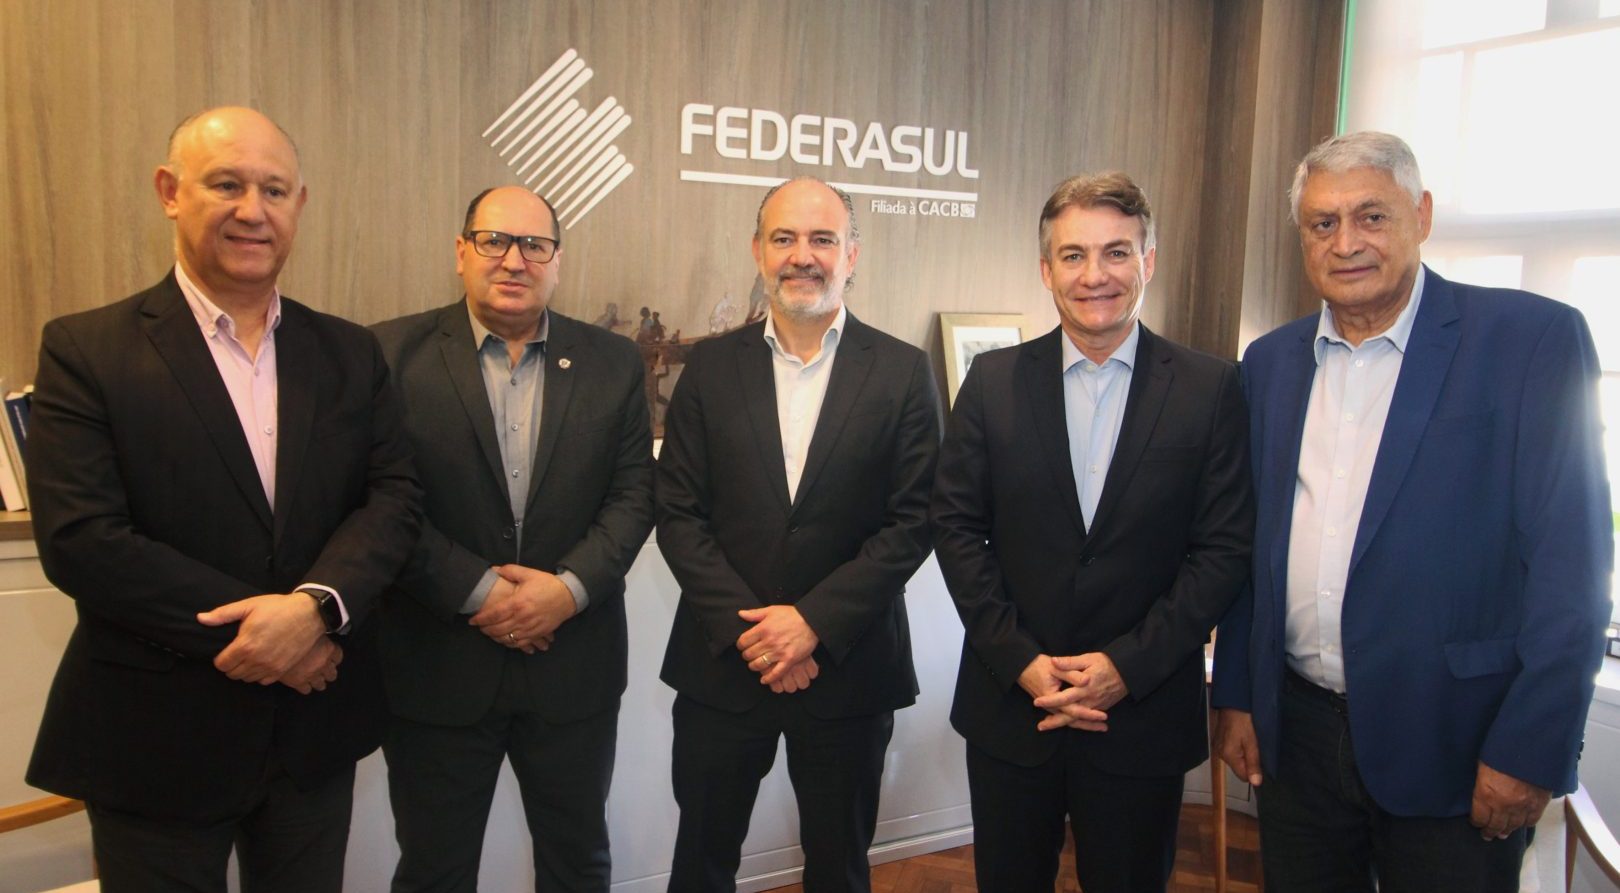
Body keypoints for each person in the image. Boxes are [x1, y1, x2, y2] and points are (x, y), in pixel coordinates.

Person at [23, 106, 422, 892]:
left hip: (311, 734)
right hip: (156, 737)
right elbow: (83, 539)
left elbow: (393, 497)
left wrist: (314, 609)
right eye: (226, 184)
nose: (252, 210)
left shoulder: (350, 351)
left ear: (299, 205)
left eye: (273, 190)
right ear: (170, 192)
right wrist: (275, 632)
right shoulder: (86, 349)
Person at [1211, 131, 1612, 891]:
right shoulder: (1270, 363)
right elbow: (1250, 547)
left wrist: (1530, 748)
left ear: (1421, 215)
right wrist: (1235, 693)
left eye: (1372, 216)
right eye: (1323, 223)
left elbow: (1574, 568)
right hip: (1297, 739)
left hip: (1458, 744)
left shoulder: (1530, 342)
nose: (1346, 242)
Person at [930, 171, 1255, 892]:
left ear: (1148, 261)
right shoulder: (991, 382)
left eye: (1116, 252)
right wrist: (1020, 658)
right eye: (1073, 255)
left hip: (1141, 716)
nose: (1094, 275)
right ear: (1047, 270)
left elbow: (1223, 550)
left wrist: (1125, 667)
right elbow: (954, 527)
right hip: (1013, 708)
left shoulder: (1211, 388)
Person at [655, 176, 940, 893]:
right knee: (701, 864)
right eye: (784, 238)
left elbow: (915, 520)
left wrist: (812, 622)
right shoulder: (709, 368)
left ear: (852, 255)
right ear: (758, 250)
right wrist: (755, 633)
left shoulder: (903, 371)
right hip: (725, 666)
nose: (802, 255)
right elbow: (678, 512)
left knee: (839, 869)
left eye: (822, 239)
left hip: (849, 668)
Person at [372, 186, 653, 893]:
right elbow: (382, 503)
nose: (514, 259)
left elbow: (634, 496)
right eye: (494, 240)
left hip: (574, 665)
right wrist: (480, 592)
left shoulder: (614, 362)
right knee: (433, 871)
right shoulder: (388, 355)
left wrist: (567, 590)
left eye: (534, 244)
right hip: (437, 663)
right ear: (460, 251)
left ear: (557, 260)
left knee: (578, 863)